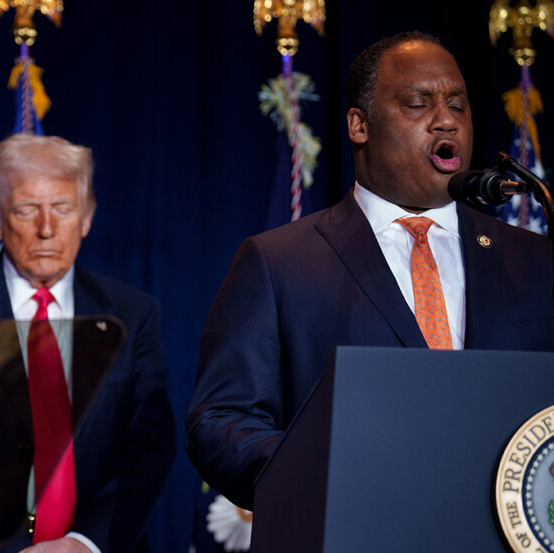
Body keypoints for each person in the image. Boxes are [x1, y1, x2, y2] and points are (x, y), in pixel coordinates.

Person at [186, 31, 554, 510]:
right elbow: (220, 424)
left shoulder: (532, 259)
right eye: (419, 103)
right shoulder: (279, 263)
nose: (446, 120)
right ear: (359, 125)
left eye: (458, 106)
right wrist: (335, 470)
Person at [0, 133, 176, 553]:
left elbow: (149, 446)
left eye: (63, 209)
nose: (46, 229)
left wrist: (84, 543)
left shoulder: (133, 313)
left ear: (87, 217)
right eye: (26, 210)